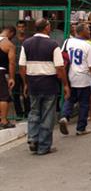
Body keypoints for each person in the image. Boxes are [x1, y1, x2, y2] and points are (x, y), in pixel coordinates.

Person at [19, 19, 70, 154]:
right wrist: (65, 85)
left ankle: (33, 138)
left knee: (34, 112)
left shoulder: (26, 43)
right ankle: (44, 146)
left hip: (33, 83)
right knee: (47, 115)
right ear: (47, 28)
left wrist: (25, 83)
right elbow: (60, 68)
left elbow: (22, 67)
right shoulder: (53, 45)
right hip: (49, 84)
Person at [59, 23, 91, 136]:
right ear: (81, 31)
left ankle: (64, 117)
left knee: (70, 100)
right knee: (84, 104)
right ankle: (81, 128)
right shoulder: (87, 46)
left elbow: (63, 57)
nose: (89, 31)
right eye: (87, 29)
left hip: (70, 76)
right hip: (83, 78)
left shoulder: (68, 42)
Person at [11, 20, 30, 119]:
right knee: (15, 93)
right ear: (17, 28)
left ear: (25, 27)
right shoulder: (13, 40)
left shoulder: (28, 40)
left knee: (26, 91)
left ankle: (27, 112)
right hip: (15, 71)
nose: (21, 28)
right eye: (19, 27)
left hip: (26, 70)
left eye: (23, 26)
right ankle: (19, 113)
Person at [0, 26, 16, 129]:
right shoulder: (8, 44)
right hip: (1, 71)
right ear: (10, 33)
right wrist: (11, 77)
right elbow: (12, 63)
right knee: (3, 96)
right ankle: (4, 121)